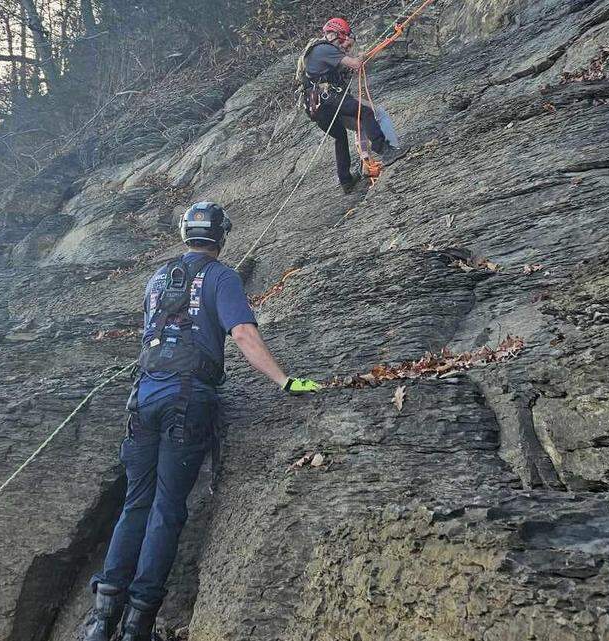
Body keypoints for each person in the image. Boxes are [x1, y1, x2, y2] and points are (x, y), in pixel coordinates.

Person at [83, 201, 322, 641]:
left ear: (184, 234)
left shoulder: (157, 278)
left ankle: (101, 619)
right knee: (167, 508)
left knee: (135, 502)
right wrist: (285, 381)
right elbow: (244, 334)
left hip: (144, 399)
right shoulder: (222, 277)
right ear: (222, 236)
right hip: (186, 401)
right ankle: (137, 623)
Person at [297, 17, 404, 193]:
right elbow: (355, 63)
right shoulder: (324, 48)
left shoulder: (317, 51)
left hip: (316, 108)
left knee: (341, 136)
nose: (344, 42)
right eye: (343, 38)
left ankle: (346, 181)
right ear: (336, 34)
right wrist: (360, 57)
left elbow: (343, 70)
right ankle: (384, 149)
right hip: (328, 98)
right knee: (366, 112)